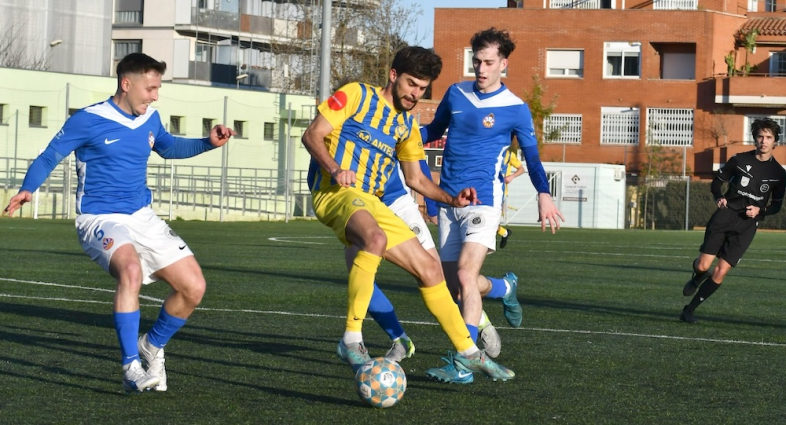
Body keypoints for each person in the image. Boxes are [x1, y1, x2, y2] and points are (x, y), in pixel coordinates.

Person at [3, 53, 235, 393]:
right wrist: (27, 189)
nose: (155, 95)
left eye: (158, 88)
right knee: (131, 272)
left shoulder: (151, 119)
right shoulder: (88, 119)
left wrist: (207, 143)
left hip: (142, 216)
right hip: (99, 218)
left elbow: (168, 149)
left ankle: (151, 346)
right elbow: (50, 155)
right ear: (127, 84)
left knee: (194, 287)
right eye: (150, 88)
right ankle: (130, 366)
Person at [301, 45, 514, 381]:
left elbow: (416, 179)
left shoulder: (407, 126)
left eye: (423, 88)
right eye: (412, 84)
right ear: (393, 75)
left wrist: (451, 199)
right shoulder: (356, 95)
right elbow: (312, 134)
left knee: (430, 270)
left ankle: (469, 352)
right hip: (334, 192)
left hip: (371, 201)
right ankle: (351, 340)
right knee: (374, 238)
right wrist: (334, 168)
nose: (416, 94)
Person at [421, 28, 564, 383]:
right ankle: (504, 288)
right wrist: (397, 133)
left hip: (484, 202)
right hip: (448, 201)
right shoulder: (455, 93)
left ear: (504, 63)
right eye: (477, 62)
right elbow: (433, 131)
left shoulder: (516, 108)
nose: (481, 69)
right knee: (458, 288)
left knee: (466, 277)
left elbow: (531, 158)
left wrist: (544, 193)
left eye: (488, 62)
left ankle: (462, 363)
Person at [352, 160, 503, 363]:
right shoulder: (334, 133)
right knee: (360, 276)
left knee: (437, 277)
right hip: (358, 206)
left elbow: (417, 161)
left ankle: (480, 320)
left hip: (396, 203)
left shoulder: (395, 127)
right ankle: (400, 340)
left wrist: (431, 207)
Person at [680, 118, 785, 324]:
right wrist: (718, 197)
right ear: (755, 138)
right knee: (703, 266)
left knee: (721, 271)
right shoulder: (738, 160)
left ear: (775, 142)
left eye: (769, 137)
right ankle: (697, 276)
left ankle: (689, 310)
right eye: (760, 136)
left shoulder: (780, 174)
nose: (764, 141)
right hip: (725, 216)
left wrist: (760, 210)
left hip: (746, 225)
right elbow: (717, 183)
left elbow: (776, 206)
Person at [497, 139, 526, 249]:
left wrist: (511, 176)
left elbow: (521, 169)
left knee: (491, 222)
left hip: (501, 193)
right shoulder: (488, 152)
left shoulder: (509, 155)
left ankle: (504, 233)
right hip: (485, 191)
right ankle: (504, 233)